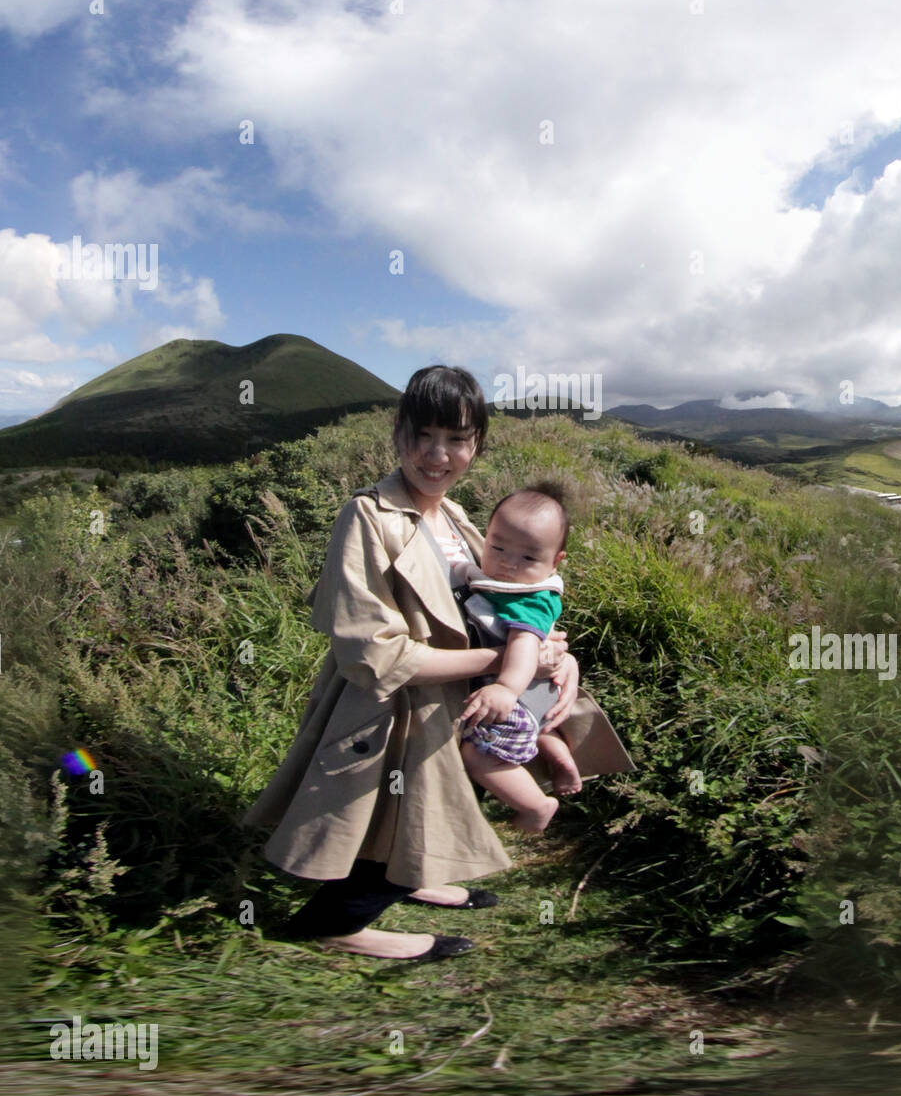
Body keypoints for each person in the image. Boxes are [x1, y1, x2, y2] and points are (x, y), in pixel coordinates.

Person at [242, 365, 629, 960]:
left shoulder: (456, 516)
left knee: (430, 805)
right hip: (391, 709)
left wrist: (558, 653)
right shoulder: (368, 517)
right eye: (423, 435)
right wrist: (504, 665)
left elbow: (509, 602)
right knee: (394, 813)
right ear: (399, 434)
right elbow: (370, 652)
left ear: (476, 445)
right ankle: (336, 923)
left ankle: (418, 878)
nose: (437, 454)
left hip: (455, 702)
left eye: (456, 439)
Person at [454, 482, 588, 830]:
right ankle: (558, 755)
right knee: (539, 728)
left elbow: (525, 643)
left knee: (478, 755)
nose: (508, 565)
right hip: (537, 698)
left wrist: (506, 688)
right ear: (485, 535)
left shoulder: (527, 598)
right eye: (497, 547)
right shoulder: (511, 584)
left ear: (556, 561)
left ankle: (536, 807)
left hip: (515, 695)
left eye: (528, 557)